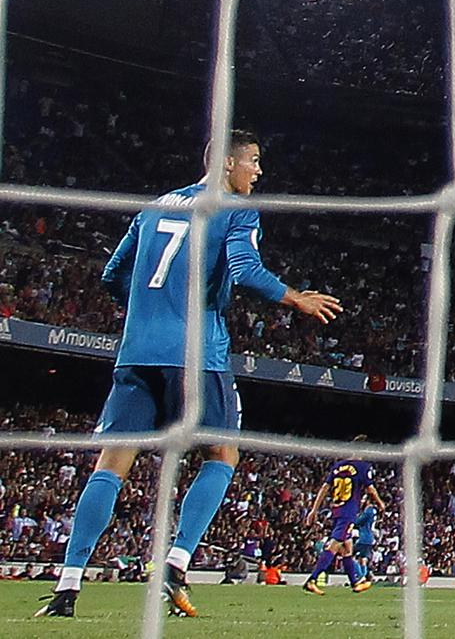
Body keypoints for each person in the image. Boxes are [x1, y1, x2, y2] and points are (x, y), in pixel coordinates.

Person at [35, 130, 343, 620]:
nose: (258, 172)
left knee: (111, 465)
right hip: (197, 353)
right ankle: (176, 565)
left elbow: (112, 276)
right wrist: (295, 297)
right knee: (221, 453)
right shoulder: (236, 208)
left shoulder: (154, 207)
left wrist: (148, 314)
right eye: (254, 162)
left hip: (136, 353)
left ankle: (67, 587)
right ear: (226, 163)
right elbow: (244, 268)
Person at [303, 443, 387, 596]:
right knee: (334, 546)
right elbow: (370, 489)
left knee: (347, 549)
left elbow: (324, 488)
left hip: (336, 509)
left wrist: (314, 510)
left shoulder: (338, 466)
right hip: (349, 512)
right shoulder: (363, 467)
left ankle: (355, 583)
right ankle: (312, 579)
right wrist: (380, 503)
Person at [353, 502, 379, 583]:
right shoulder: (374, 511)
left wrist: (355, 518)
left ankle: (361, 576)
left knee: (349, 556)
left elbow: (358, 522)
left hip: (364, 538)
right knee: (362, 559)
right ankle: (363, 578)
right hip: (369, 538)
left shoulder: (368, 511)